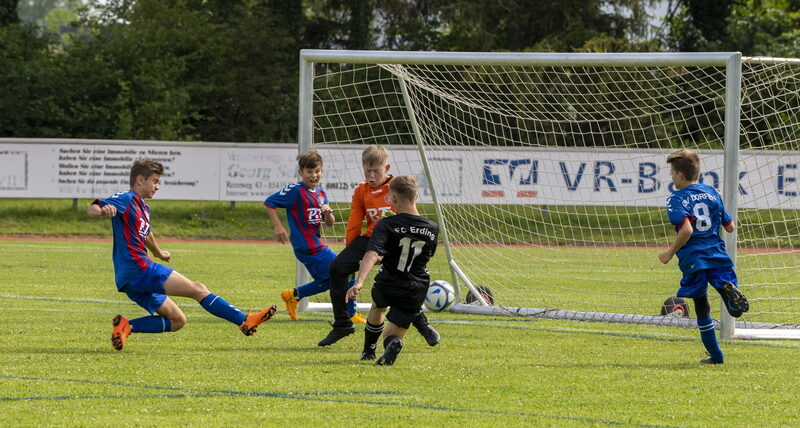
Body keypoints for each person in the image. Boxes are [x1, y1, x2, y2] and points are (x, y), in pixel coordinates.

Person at [88, 158, 276, 351]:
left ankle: (126, 327)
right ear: (140, 180)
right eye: (155, 181)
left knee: (177, 320)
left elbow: (147, 234)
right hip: (140, 269)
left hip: (129, 279)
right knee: (198, 289)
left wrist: (158, 252)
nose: (157, 186)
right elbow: (92, 207)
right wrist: (102, 211)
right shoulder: (126, 199)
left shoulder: (143, 207)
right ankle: (244, 321)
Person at [318, 145, 439, 347]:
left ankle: (422, 325)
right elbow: (354, 223)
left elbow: (408, 217)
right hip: (371, 238)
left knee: (404, 281)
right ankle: (342, 324)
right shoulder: (361, 191)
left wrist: (383, 253)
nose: (371, 175)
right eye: (368, 170)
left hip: (397, 238)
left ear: (387, 167)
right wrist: (351, 253)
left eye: (376, 170)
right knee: (337, 268)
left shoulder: (396, 188)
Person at [659, 149, 750, 364]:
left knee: (702, 306)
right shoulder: (712, 193)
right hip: (718, 254)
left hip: (694, 259)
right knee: (732, 307)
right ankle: (733, 300)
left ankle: (716, 356)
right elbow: (730, 227)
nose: (671, 178)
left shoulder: (676, 198)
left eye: (672, 173)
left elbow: (687, 230)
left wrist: (668, 253)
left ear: (680, 175)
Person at [346, 175, 440, 365]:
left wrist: (360, 281)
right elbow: (422, 257)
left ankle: (368, 351)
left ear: (393, 199)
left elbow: (372, 253)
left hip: (388, 281)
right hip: (415, 286)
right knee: (393, 333)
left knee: (378, 307)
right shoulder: (432, 228)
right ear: (416, 196)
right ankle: (396, 341)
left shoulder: (386, 224)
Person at [265, 149, 362, 322]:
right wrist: (278, 227)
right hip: (307, 245)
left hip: (315, 244)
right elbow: (269, 202)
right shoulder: (295, 191)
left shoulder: (321, 194)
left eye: (317, 171)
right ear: (301, 172)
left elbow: (330, 223)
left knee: (331, 279)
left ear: (322, 171)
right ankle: (350, 313)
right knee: (345, 271)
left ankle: (294, 294)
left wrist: (327, 213)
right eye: (309, 172)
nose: (314, 175)